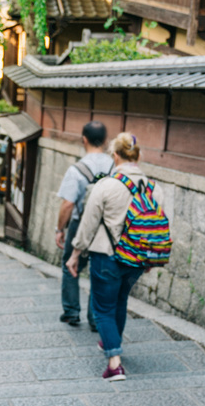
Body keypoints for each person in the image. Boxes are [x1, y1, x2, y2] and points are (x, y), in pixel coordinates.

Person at [66, 132, 164, 381]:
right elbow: (160, 224)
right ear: (139, 156)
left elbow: (88, 223)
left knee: (102, 308)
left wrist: (76, 253)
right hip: (137, 259)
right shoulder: (154, 188)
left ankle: (114, 364)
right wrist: (150, 258)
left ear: (115, 156)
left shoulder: (106, 185)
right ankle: (111, 343)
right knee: (120, 301)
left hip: (107, 255)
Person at [55, 121, 114, 330]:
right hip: (107, 227)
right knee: (99, 269)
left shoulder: (77, 169)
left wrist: (59, 229)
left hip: (80, 224)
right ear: (106, 141)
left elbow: (68, 203)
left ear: (84, 139)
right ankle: (95, 318)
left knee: (70, 265)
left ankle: (71, 312)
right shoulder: (115, 167)